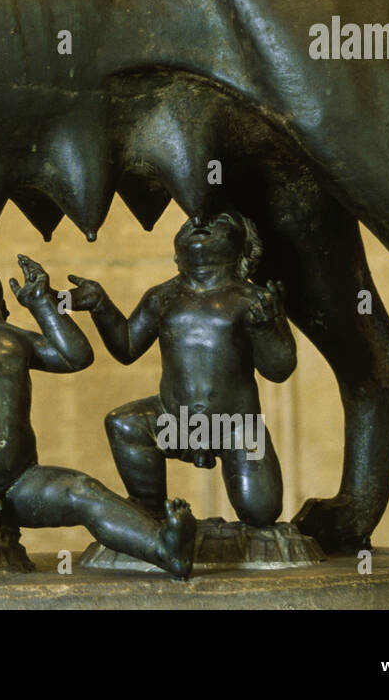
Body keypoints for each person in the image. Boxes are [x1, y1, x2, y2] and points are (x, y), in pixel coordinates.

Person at [0, 255, 195, 577]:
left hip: (21, 479)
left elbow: (74, 356)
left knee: (83, 490)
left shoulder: (15, 337)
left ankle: (163, 547)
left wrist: (42, 303)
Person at [68, 212, 296, 527]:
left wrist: (265, 329)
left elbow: (280, 369)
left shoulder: (254, 299)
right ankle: (151, 512)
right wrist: (100, 306)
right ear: (176, 252)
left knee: (262, 513)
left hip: (236, 427)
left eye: (221, 220)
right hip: (174, 419)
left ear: (244, 247)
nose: (198, 222)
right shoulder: (162, 297)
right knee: (124, 424)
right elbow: (127, 347)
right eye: (188, 222)